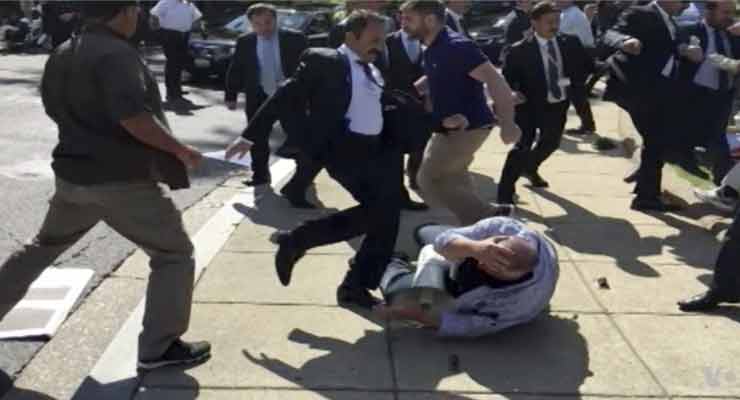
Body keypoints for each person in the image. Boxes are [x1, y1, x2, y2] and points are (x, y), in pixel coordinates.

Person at [0, 1, 210, 371]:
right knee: (174, 254)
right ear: (125, 12)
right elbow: (132, 117)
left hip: (72, 177)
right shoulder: (117, 54)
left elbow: (52, 106)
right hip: (122, 182)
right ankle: (159, 349)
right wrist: (180, 150)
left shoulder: (65, 50)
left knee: (42, 249)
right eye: (137, 10)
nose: (140, 18)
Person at [225, 10, 464, 309]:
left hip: (380, 152)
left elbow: (396, 106)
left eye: (381, 40)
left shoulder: (374, 67)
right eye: (373, 39)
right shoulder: (326, 61)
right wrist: (250, 135)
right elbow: (285, 94)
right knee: (381, 215)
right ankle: (303, 244)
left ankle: (347, 281)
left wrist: (441, 123)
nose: (379, 45)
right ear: (351, 36)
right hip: (345, 152)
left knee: (385, 220)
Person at [402, 0, 521, 226]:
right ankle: (479, 225)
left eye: (409, 19)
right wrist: (407, 92)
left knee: (430, 179)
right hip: (448, 126)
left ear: (429, 20)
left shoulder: (456, 46)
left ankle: (493, 216)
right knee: (455, 177)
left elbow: (496, 81)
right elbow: (435, 76)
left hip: (468, 128)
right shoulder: (433, 45)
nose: (403, 24)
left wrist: (508, 123)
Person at [376, 216, 558, 337]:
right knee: (424, 232)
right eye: (485, 256)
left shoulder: (518, 304)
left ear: (516, 276)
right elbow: (443, 240)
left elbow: (470, 325)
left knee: (395, 291)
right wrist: (475, 248)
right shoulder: (505, 227)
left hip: (460, 291)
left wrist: (414, 315)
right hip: (463, 256)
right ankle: (457, 251)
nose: (480, 264)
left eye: (491, 269)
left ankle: (393, 263)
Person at [498, 1, 594, 205]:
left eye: (557, 21)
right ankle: (505, 193)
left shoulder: (570, 42)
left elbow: (586, 66)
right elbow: (507, 80)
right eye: (549, 21)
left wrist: (573, 83)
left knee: (551, 142)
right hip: (529, 106)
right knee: (521, 146)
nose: (554, 25)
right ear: (534, 22)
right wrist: (513, 93)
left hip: (557, 103)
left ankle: (530, 167)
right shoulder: (519, 50)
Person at [602, 0, 688, 212]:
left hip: (660, 91)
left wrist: (683, 49)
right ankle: (646, 197)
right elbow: (610, 33)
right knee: (656, 140)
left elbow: (665, 48)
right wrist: (626, 40)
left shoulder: (671, 22)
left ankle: (645, 185)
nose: (684, 4)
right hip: (639, 90)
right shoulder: (640, 13)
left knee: (658, 140)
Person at [224, 3, 309, 194]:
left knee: (299, 137)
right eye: (258, 24)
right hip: (258, 95)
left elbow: (309, 69)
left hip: (290, 95)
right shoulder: (245, 41)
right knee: (256, 137)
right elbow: (236, 68)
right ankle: (260, 176)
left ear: (276, 20)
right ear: (251, 24)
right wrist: (231, 95)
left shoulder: (295, 39)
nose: (263, 28)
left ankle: (304, 176)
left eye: (268, 22)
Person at [675, 0, 740, 186]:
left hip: (724, 94)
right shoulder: (689, 30)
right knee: (696, 135)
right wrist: (684, 50)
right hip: (696, 93)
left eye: (732, 13)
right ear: (709, 11)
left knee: (719, 138)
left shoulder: (734, 34)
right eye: (725, 12)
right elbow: (672, 48)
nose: (730, 17)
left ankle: (724, 184)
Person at [380, 22, 430, 210]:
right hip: (395, 107)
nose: (410, 22)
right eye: (406, 18)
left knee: (419, 145)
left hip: (421, 107)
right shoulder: (386, 42)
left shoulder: (430, 40)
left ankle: (414, 177)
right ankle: (398, 195)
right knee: (395, 152)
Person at [556, 0, 598, 136]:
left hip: (577, 59)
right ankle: (586, 125)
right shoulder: (566, 14)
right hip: (571, 59)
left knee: (575, 92)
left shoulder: (574, 15)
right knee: (570, 92)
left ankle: (588, 125)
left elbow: (575, 41)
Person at [149, 0, 203, 102]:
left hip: (184, 35)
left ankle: (177, 89)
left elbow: (197, 17)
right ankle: (171, 91)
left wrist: (198, 28)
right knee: (173, 62)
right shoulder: (166, 2)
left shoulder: (188, 4)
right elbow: (154, 15)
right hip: (169, 35)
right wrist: (157, 30)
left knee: (179, 63)